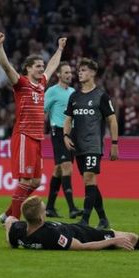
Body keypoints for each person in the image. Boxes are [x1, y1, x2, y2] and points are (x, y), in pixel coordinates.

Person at [0, 32, 67, 222]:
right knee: (25, 181)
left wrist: (59, 49)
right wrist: (0, 46)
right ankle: (14, 222)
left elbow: (52, 66)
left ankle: (8, 214)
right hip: (24, 135)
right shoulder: (21, 84)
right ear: (27, 69)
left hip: (37, 137)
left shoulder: (42, 84)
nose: (42, 69)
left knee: (36, 182)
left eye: (41, 66)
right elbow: (6, 66)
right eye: (37, 66)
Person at [5, 196, 139, 251]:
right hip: (84, 234)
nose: (46, 212)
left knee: (124, 235)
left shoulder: (19, 231)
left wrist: (8, 220)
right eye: (44, 211)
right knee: (130, 237)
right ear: (40, 219)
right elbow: (82, 247)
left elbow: (11, 223)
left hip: (78, 229)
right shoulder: (51, 236)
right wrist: (111, 242)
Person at [63, 58, 118, 229]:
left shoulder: (101, 96)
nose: (80, 73)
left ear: (93, 73)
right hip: (77, 146)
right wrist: (65, 135)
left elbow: (112, 120)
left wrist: (114, 143)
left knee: (89, 178)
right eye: (79, 70)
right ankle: (103, 219)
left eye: (84, 70)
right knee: (90, 182)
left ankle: (85, 220)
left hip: (93, 145)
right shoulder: (74, 96)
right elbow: (68, 118)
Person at [44, 61, 82, 219]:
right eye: (66, 72)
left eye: (70, 73)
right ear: (58, 74)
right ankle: (72, 208)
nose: (69, 75)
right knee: (67, 167)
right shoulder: (52, 91)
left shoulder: (73, 91)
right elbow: (42, 109)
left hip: (71, 132)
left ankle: (49, 208)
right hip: (58, 132)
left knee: (59, 170)